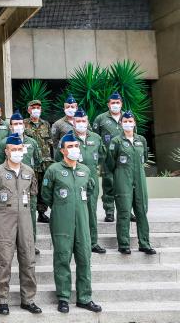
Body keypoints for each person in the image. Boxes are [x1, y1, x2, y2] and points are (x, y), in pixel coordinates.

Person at [42, 132, 102, 314]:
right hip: (62, 222)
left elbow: (90, 191)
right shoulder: (53, 170)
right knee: (62, 258)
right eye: (70, 147)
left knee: (84, 258)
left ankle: (85, 298)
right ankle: (63, 298)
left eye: (76, 146)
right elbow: (46, 195)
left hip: (83, 222)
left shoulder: (85, 170)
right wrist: (62, 208)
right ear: (62, 150)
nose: (74, 149)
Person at [0, 133, 41, 316]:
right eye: (13, 150)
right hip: (4, 219)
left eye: (19, 149)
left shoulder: (29, 172)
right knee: (4, 260)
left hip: (25, 219)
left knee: (28, 259)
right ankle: (2, 299)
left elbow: (33, 193)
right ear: (6, 151)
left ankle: (28, 299)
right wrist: (4, 210)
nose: (17, 152)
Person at [55, 109, 107, 253]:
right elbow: (58, 159)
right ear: (73, 123)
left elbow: (102, 156)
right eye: (78, 121)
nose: (81, 124)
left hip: (90, 180)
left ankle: (93, 242)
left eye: (84, 121)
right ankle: (72, 242)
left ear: (87, 122)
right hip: (72, 180)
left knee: (91, 211)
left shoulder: (96, 138)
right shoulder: (67, 138)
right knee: (72, 210)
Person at [106, 111, 156, 255]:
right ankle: (123, 244)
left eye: (130, 121)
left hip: (139, 179)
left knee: (142, 211)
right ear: (121, 123)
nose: (128, 123)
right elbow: (110, 163)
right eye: (125, 121)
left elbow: (144, 159)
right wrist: (121, 174)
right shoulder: (116, 141)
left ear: (134, 123)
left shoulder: (141, 140)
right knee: (124, 212)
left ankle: (145, 243)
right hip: (122, 179)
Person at [0, 112, 42, 254]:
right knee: (9, 215)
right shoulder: (4, 143)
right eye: (15, 124)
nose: (18, 126)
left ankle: (30, 244)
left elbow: (38, 161)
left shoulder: (32, 142)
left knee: (30, 215)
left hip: (27, 184)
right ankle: (9, 244)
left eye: (20, 123)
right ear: (10, 126)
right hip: (9, 185)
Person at [93, 91, 124, 222]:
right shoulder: (101, 119)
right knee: (109, 184)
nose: (115, 105)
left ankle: (126, 210)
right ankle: (109, 211)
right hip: (107, 158)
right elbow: (95, 138)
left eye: (117, 103)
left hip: (124, 157)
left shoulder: (127, 117)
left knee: (125, 185)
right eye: (113, 103)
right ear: (108, 104)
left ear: (121, 104)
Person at [23, 99, 53, 223]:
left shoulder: (46, 124)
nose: (36, 110)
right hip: (30, 162)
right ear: (29, 109)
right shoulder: (23, 124)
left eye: (38, 108)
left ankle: (41, 212)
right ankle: (27, 213)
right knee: (29, 187)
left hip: (44, 162)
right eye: (33, 107)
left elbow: (50, 142)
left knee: (42, 187)